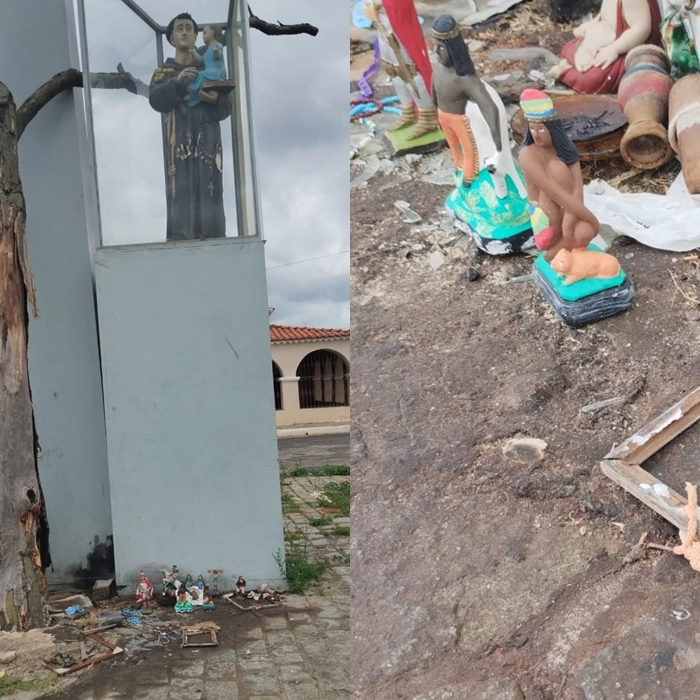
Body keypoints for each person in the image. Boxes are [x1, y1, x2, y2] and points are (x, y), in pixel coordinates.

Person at [149, 13, 232, 241]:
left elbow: (226, 108)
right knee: (180, 193)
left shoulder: (211, 69)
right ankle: (180, 239)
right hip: (179, 149)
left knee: (210, 190)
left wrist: (213, 99)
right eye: (179, 29)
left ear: (196, 36)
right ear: (172, 38)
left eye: (189, 29)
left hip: (207, 146)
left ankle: (214, 238)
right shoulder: (164, 73)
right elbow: (156, 99)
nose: (184, 32)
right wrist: (177, 82)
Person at [518, 89, 599, 262]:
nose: (536, 134)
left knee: (585, 232)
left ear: (552, 129)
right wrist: (590, 219)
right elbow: (553, 191)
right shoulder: (528, 155)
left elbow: (577, 185)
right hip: (545, 212)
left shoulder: (565, 149)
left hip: (570, 208)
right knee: (556, 168)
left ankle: (566, 252)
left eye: (540, 129)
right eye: (532, 129)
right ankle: (555, 252)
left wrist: (572, 219)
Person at [430, 14, 504, 190]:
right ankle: (458, 167)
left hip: (459, 120)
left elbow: (486, 103)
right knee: (453, 146)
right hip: (443, 116)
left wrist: (496, 133)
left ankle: (469, 177)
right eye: (435, 46)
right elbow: (434, 92)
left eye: (441, 48)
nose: (436, 52)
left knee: (470, 149)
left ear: (453, 49)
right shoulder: (438, 70)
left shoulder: (464, 79)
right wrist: (435, 113)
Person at [550, 0, 662, 94]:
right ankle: (575, 66)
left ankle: (567, 74)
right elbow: (604, 15)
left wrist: (614, 49)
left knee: (594, 79)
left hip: (627, 49)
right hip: (603, 39)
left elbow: (641, 30)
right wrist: (590, 25)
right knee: (568, 50)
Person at [363, 0, 438, 140]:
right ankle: (408, 111)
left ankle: (428, 116)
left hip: (396, 22)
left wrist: (378, 5)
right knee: (392, 69)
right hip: (383, 23)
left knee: (408, 70)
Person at [187, 25, 227, 107]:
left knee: (201, 75)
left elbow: (218, 54)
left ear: (212, 33)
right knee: (197, 75)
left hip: (217, 71)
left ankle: (193, 90)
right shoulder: (207, 51)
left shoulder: (217, 45)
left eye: (205, 33)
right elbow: (201, 60)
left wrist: (216, 52)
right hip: (210, 72)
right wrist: (193, 51)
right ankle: (193, 96)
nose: (203, 36)